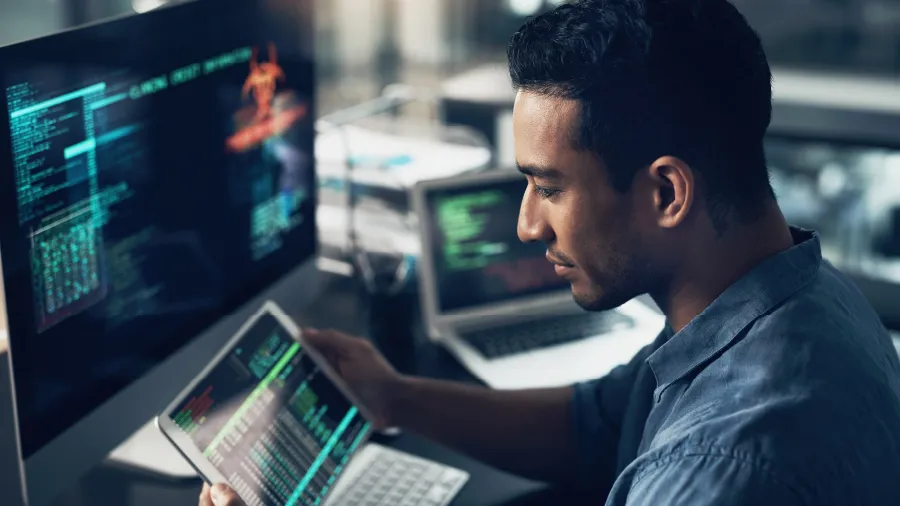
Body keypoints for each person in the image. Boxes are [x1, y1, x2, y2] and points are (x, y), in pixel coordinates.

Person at [200, 0, 900, 504]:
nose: (528, 225)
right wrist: (394, 397)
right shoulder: (794, 293)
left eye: (549, 186)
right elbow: (598, 428)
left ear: (665, 193)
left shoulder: (722, 471)